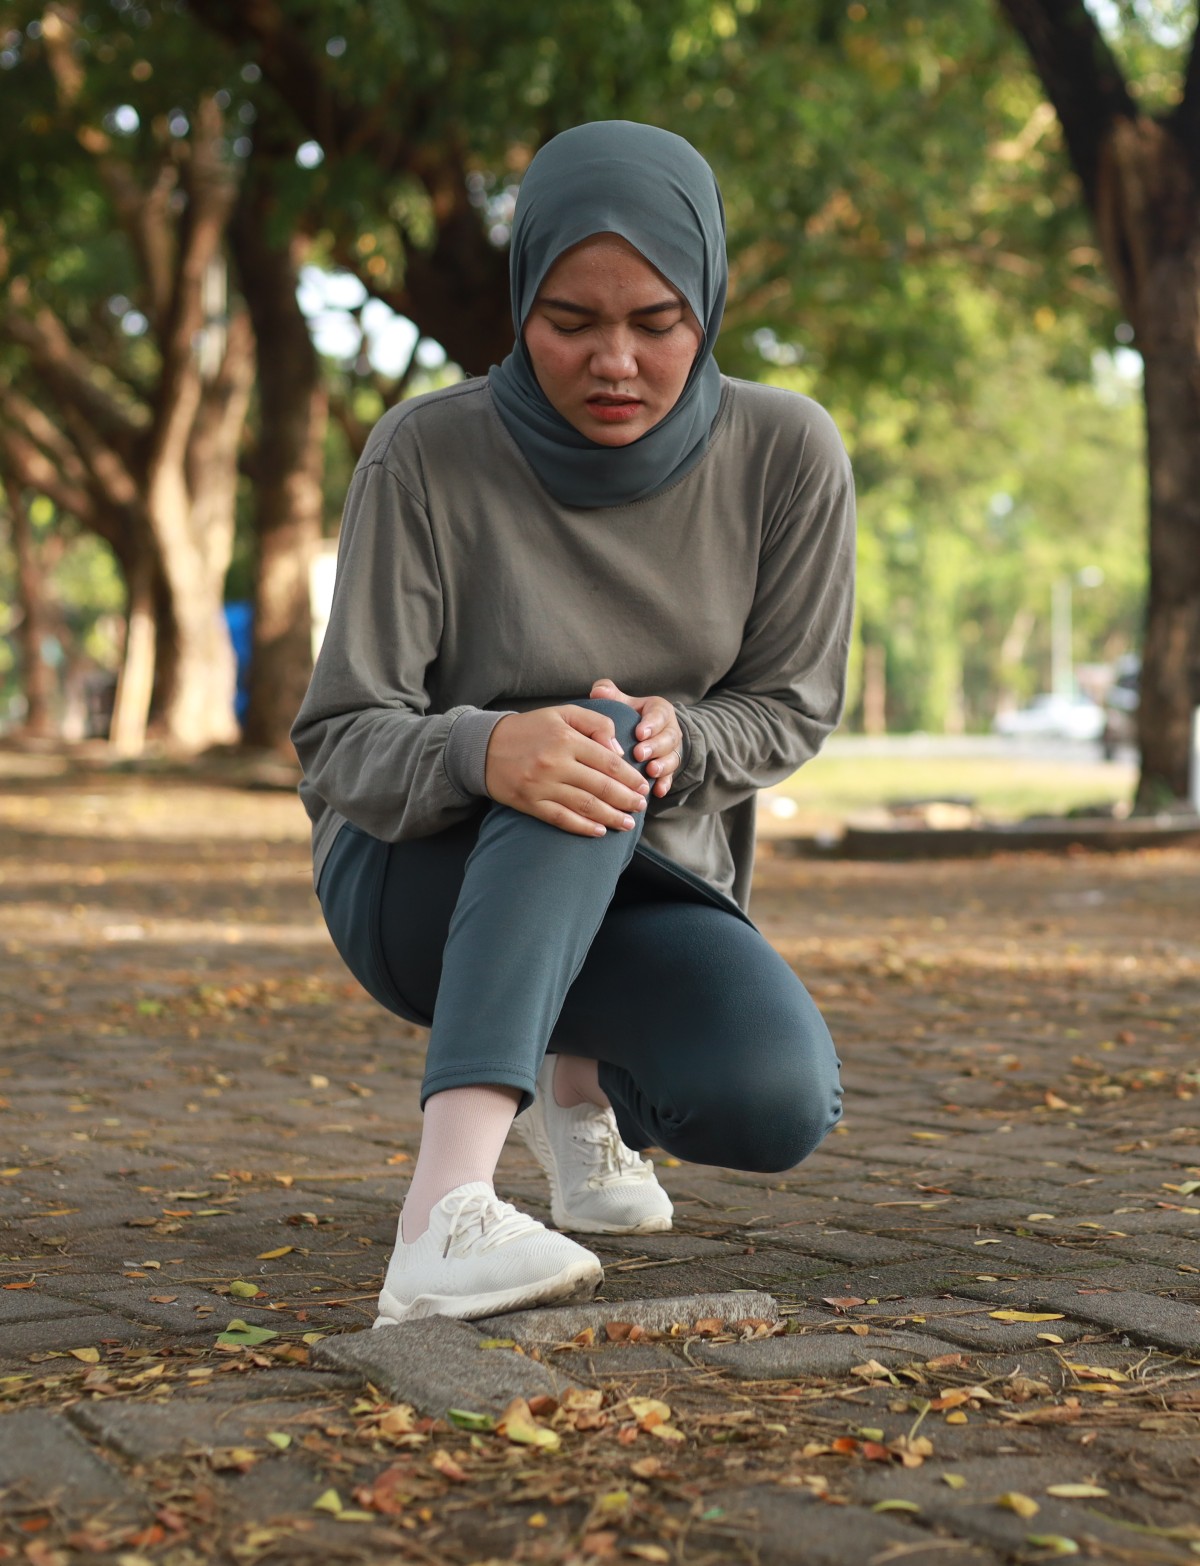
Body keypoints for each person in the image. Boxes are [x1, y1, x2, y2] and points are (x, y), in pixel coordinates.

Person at [291, 120, 855, 1326]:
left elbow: (792, 703)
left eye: (656, 323)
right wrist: (489, 745)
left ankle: (577, 1084)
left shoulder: (786, 452)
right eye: (570, 322)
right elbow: (340, 736)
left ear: (705, 302)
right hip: (416, 885)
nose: (615, 361)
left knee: (775, 1102)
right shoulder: (425, 454)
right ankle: (446, 1212)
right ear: (518, 306)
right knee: (576, 750)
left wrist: (687, 738)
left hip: (645, 888)